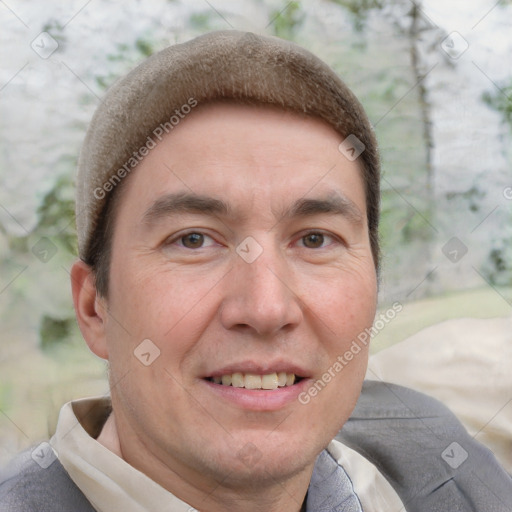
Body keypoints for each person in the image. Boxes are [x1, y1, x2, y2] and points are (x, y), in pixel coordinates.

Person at [1, 30, 511, 512]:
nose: (266, 308)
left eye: (315, 239)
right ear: (94, 309)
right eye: (193, 239)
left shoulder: (436, 456)